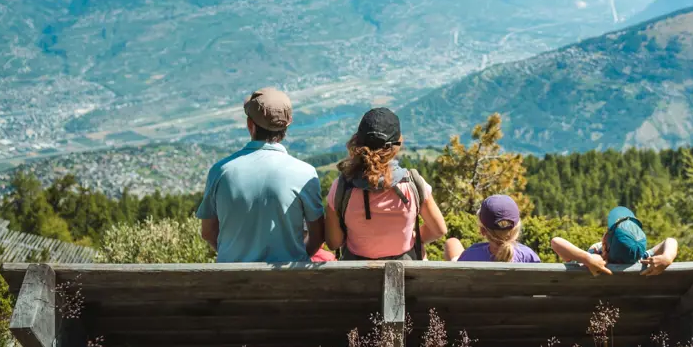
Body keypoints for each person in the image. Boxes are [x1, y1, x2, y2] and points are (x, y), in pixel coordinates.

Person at [197, 88, 325, 263]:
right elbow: (318, 236)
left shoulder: (220, 171)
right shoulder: (305, 173)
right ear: (287, 125)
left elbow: (208, 232)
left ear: (250, 125)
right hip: (288, 282)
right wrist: (298, 257)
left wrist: (233, 255)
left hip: (232, 281)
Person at [325, 107, 447, 260]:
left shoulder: (342, 187)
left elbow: (333, 243)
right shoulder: (413, 183)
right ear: (397, 145)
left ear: (357, 141)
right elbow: (439, 230)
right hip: (407, 275)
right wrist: (413, 237)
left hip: (356, 278)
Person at [550, 206, 679, 276]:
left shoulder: (592, 264)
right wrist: (667, 258)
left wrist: (587, 259)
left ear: (605, 244)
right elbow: (671, 241)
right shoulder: (642, 261)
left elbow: (555, 242)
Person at [444, 194, 541, 263]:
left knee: (452, 243)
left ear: (482, 231)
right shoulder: (529, 257)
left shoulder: (470, 256)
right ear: (517, 229)